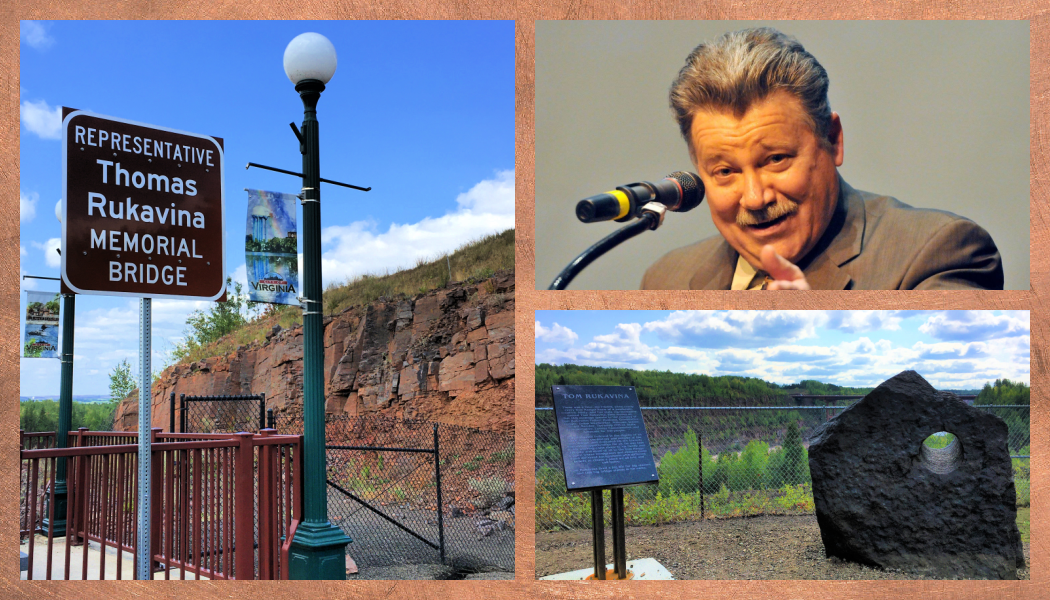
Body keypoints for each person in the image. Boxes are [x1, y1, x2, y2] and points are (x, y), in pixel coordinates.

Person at [641, 27, 1003, 290]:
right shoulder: (665, 279)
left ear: (832, 140)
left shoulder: (938, 253)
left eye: (776, 159)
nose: (754, 198)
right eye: (724, 171)